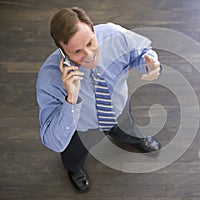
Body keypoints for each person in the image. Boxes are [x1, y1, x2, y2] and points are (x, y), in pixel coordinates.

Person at [36, 7, 162, 193]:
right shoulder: (49, 80)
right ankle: (74, 170)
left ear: (93, 30)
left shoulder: (115, 35)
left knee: (128, 128)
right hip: (82, 126)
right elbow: (54, 142)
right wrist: (71, 99)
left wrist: (149, 64)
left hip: (119, 107)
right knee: (74, 154)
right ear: (63, 52)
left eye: (90, 42)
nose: (88, 54)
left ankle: (137, 139)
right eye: (77, 51)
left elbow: (141, 52)